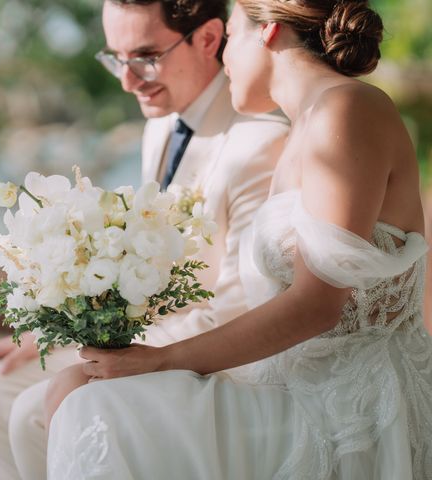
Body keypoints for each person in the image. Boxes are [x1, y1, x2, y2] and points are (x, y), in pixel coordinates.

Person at [46, 0, 432, 479]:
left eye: (229, 36)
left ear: (267, 31)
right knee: (76, 389)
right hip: (287, 379)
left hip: (344, 401)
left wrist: (162, 359)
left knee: (96, 409)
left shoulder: (348, 109)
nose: (222, 58)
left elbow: (317, 305)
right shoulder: (304, 127)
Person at [0, 0, 289, 478]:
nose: (127, 80)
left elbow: (237, 311)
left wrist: (110, 355)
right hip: (147, 339)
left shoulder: (257, 143)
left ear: (208, 38)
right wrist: (52, 337)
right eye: (115, 58)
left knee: (32, 411)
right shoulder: (160, 126)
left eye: (144, 57)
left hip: (217, 359)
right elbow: (144, 277)